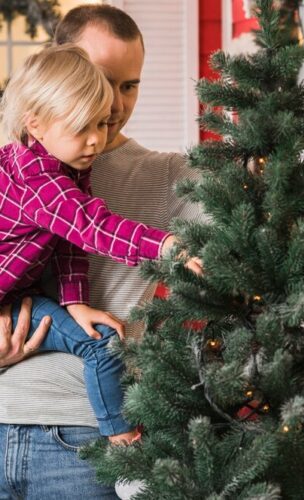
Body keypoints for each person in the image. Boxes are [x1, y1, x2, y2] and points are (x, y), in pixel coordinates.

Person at [0, 5, 202, 499]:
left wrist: (75, 302)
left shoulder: (161, 174)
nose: (110, 104)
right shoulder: (24, 162)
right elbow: (90, 226)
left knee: (99, 340)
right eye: (97, 79)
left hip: (79, 441)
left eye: (128, 85)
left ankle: (123, 440)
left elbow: (72, 240)